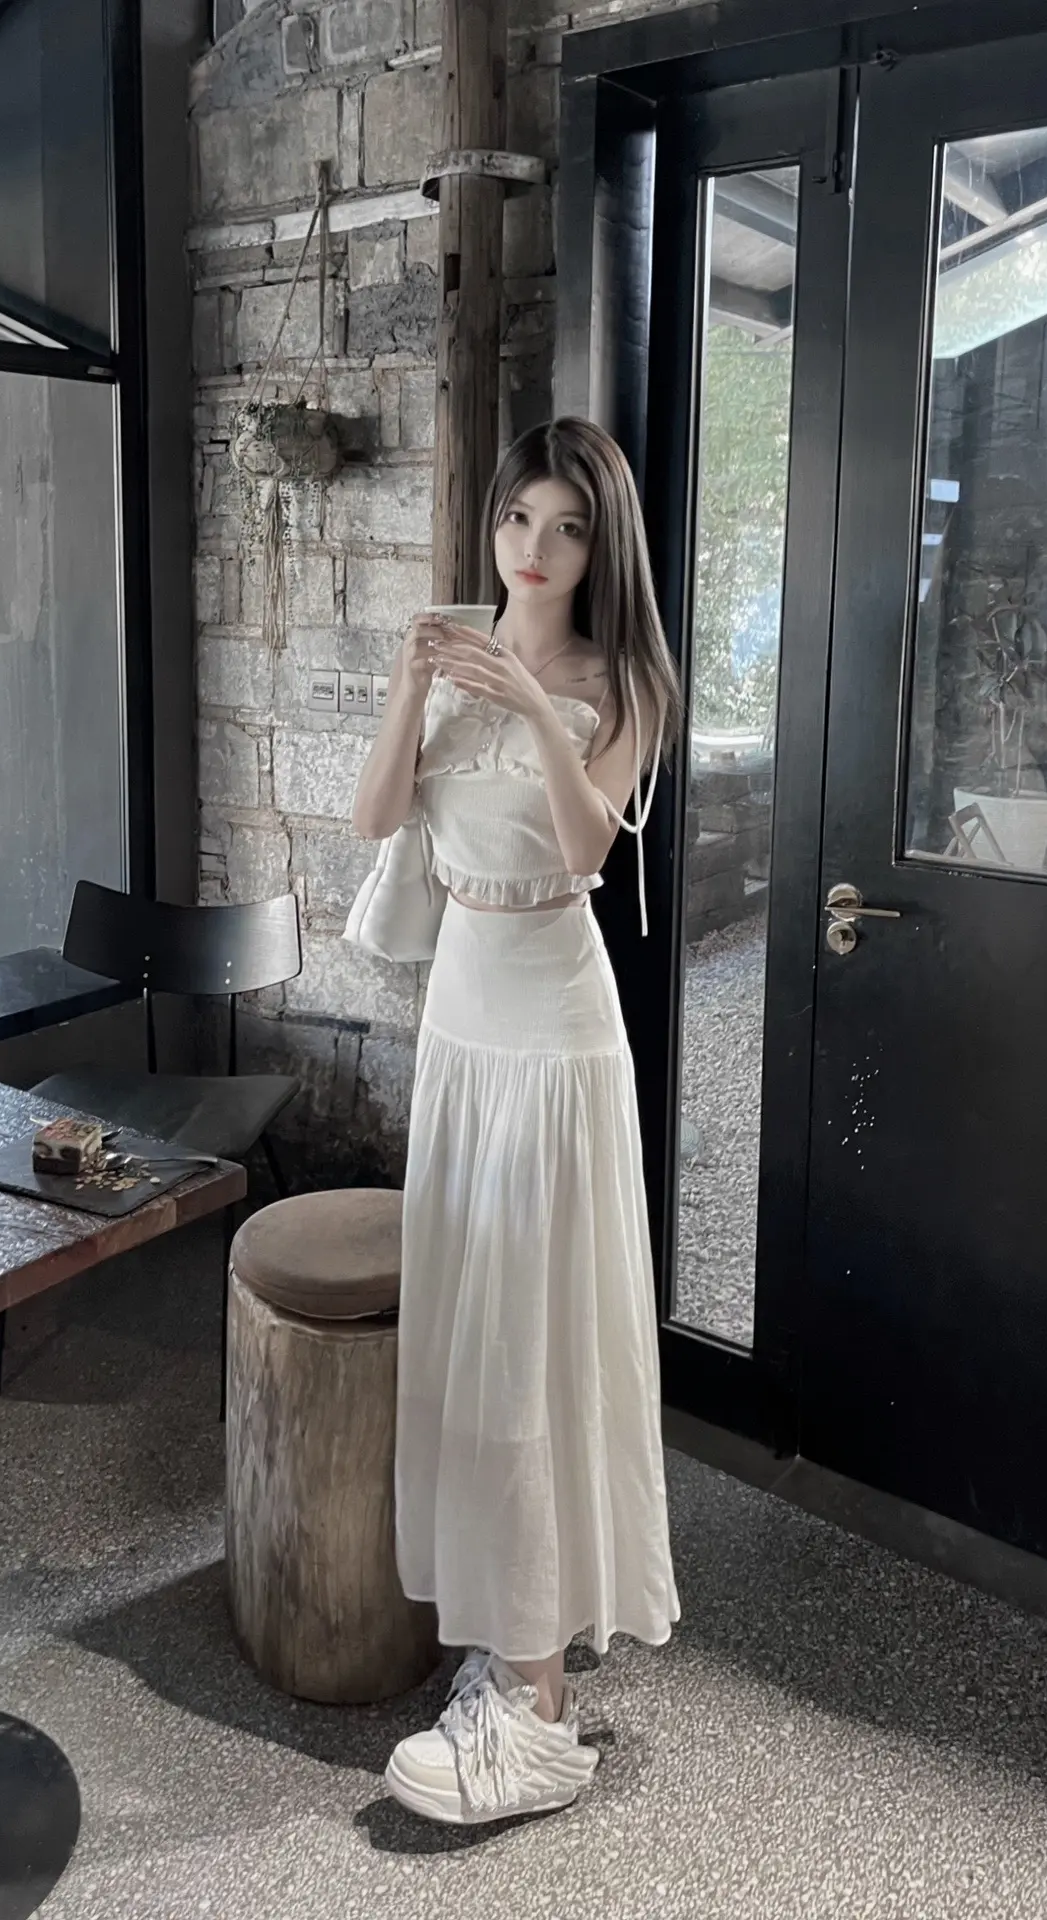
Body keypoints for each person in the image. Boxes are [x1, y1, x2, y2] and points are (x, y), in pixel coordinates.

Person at [350, 417, 683, 1826]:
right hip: (462, 1027)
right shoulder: (452, 653)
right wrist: (408, 685)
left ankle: (538, 1703)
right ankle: (499, 1631)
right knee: (470, 1329)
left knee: (536, 1339)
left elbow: (589, 842)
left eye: (566, 528)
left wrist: (537, 706)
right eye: (517, 521)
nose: (534, 551)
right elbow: (377, 818)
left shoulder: (628, 682)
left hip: (554, 1026)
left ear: (601, 549)